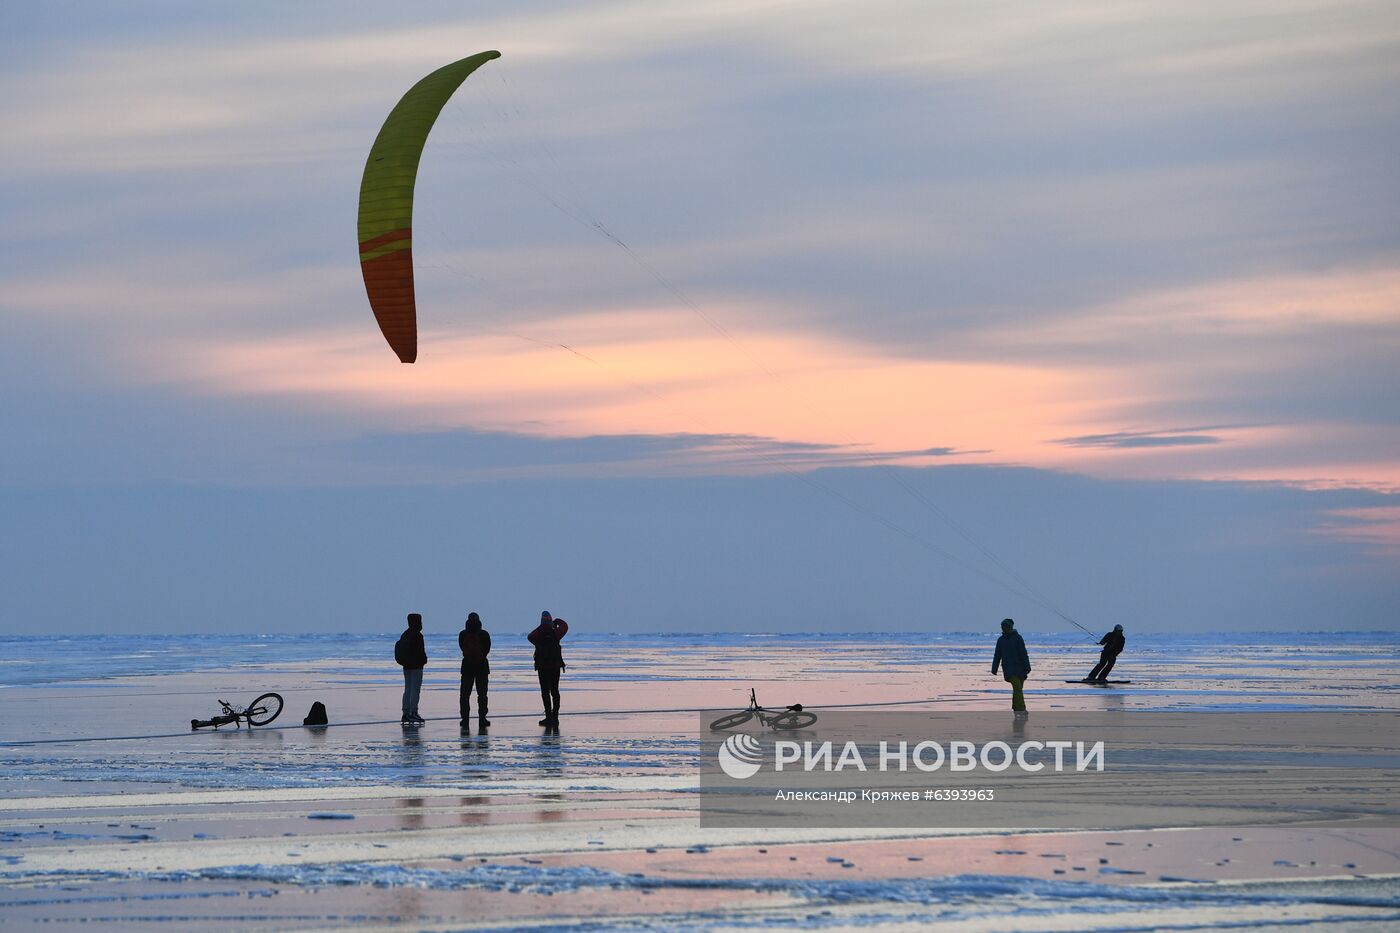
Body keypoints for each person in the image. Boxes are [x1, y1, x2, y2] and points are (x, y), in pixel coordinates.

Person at [528, 610, 569, 726]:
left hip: (543, 668)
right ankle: (555, 717)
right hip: (555, 667)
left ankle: (549, 717)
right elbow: (565, 626)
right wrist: (556, 622)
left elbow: (529, 636)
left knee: (545, 692)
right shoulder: (556, 633)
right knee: (555, 691)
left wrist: (542, 626)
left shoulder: (538, 634)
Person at [458, 612, 492, 729]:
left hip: (467, 666)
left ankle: (465, 719)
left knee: (465, 695)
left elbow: (462, 647)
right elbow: (487, 649)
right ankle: (482, 719)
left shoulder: (463, 634)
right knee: (482, 694)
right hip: (482, 666)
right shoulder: (484, 634)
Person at [991, 617, 1031, 713]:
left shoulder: (1018, 638)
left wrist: (1027, 666)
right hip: (1009, 669)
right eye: (1001, 626)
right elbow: (997, 655)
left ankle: (1016, 707)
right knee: (1017, 687)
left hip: (1020, 668)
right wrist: (994, 668)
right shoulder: (1001, 640)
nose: (1002, 628)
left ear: (1009, 627)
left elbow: (1023, 653)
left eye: (1003, 626)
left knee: (1018, 689)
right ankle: (1021, 708)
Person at [394, 613, 428, 724]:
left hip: (406, 666)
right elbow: (420, 652)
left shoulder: (405, 634)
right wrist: (424, 660)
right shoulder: (418, 635)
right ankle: (413, 712)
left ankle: (406, 713)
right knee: (415, 690)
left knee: (408, 689)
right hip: (416, 666)